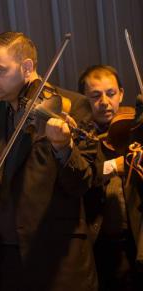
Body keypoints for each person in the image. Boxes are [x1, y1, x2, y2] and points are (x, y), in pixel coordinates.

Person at [0, 32, 96, 291]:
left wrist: (63, 147)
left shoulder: (72, 106)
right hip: (1, 261)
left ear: (27, 68)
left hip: (58, 261)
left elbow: (85, 182)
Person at [77, 65, 143, 290]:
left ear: (122, 94)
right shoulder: (79, 138)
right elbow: (78, 177)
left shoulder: (137, 128)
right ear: (84, 99)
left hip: (137, 240)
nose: (104, 101)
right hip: (100, 245)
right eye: (95, 96)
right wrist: (112, 166)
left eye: (111, 93)